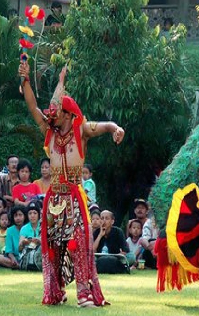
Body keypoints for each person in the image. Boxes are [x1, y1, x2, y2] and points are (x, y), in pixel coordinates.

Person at [19, 61, 124, 306]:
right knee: (54, 247)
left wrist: (116, 128)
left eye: (56, 113)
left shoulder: (81, 131)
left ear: (68, 114)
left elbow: (103, 125)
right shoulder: (49, 131)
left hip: (75, 198)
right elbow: (33, 106)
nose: (51, 115)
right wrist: (25, 80)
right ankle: (56, 291)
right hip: (54, 199)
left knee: (78, 243)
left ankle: (84, 293)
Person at [132, 198, 158, 269]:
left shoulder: (170, 221)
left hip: (164, 248)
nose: (140, 210)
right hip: (150, 250)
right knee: (146, 242)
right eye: (138, 208)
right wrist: (152, 250)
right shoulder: (149, 222)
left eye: (142, 208)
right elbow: (143, 240)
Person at [18, 202, 42, 271]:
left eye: (35, 213)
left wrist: (39, 242)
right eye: (30, 213)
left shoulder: (43, 227)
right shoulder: (24, 228)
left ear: (39, 215)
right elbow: (19, 249)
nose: (32, 216)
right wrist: (24, 242)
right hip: (27, 254)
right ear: (27, 215)